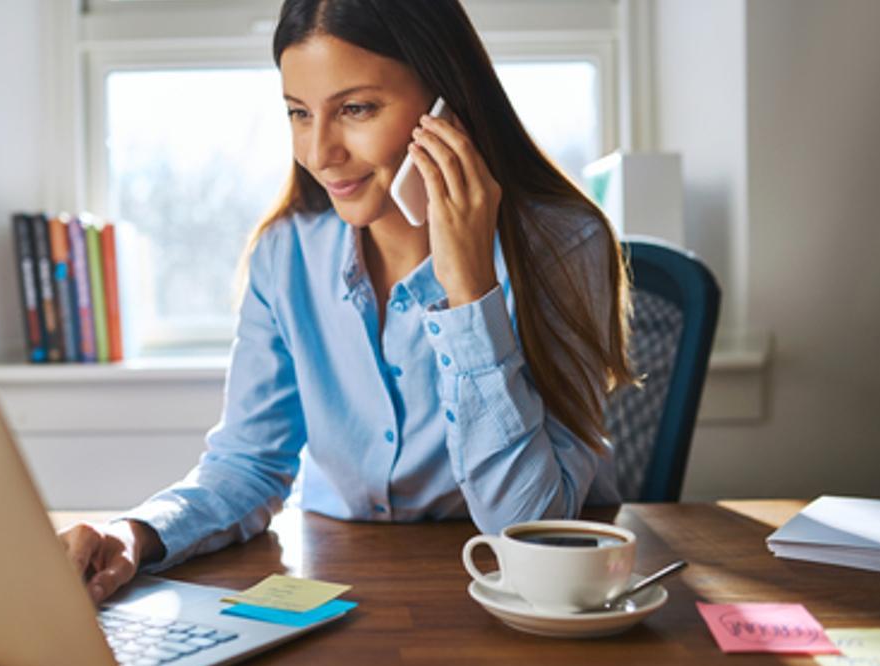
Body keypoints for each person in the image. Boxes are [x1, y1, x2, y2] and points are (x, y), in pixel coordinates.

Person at [60, 0, 634, 605]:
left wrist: (469, 292)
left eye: (356, 109)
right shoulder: (287, 254)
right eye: (299, 113)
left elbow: (528, 528)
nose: (319, 151)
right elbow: (248, 466)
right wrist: (134, 535)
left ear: (447, 103)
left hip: (511, 605)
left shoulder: (563, 246)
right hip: (338, 592)